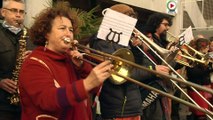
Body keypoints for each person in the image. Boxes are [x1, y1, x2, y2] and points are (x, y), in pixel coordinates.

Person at [18, 2, 113, 120]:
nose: (68, 33)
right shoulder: (34, 63)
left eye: (71, 30)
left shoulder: (70, 59)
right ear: (46, 33)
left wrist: (82, 66)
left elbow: (93, 89)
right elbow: (47, 100)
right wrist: (86, 83)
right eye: (62, 28)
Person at [89, 4, 144, 120]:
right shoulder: (102, 42)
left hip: (132, 104)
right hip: (118, 108)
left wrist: (137, 48)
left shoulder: (126, 41)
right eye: (128, 20)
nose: (131, 25)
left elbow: (137, 65)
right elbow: (121, 74)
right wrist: (153, 70)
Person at [0, 0, 32, 120]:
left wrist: (35, 56)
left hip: (26, 104)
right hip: (2, 105)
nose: (18, 15)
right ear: (3, 12)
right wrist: (0, 81)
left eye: (22, 12)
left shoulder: (31, 35)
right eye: (14, 11)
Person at [138, 13, 173, 120]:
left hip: (158, 91)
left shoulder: (158, 44)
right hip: (149, 91)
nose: (150, 40)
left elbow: (165, 66)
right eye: (147, 37)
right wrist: (154, 70)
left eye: (150, 38)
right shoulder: (139, 54)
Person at [186, 38, 212, 120]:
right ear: (202, 47)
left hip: (204, 86)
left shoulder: (205, 56)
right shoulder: (192, 57)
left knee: (204, 112)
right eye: (207, 47)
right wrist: (209, 69)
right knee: (200, 114)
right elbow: (193, 73)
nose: (208, 49)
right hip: (197, 88)